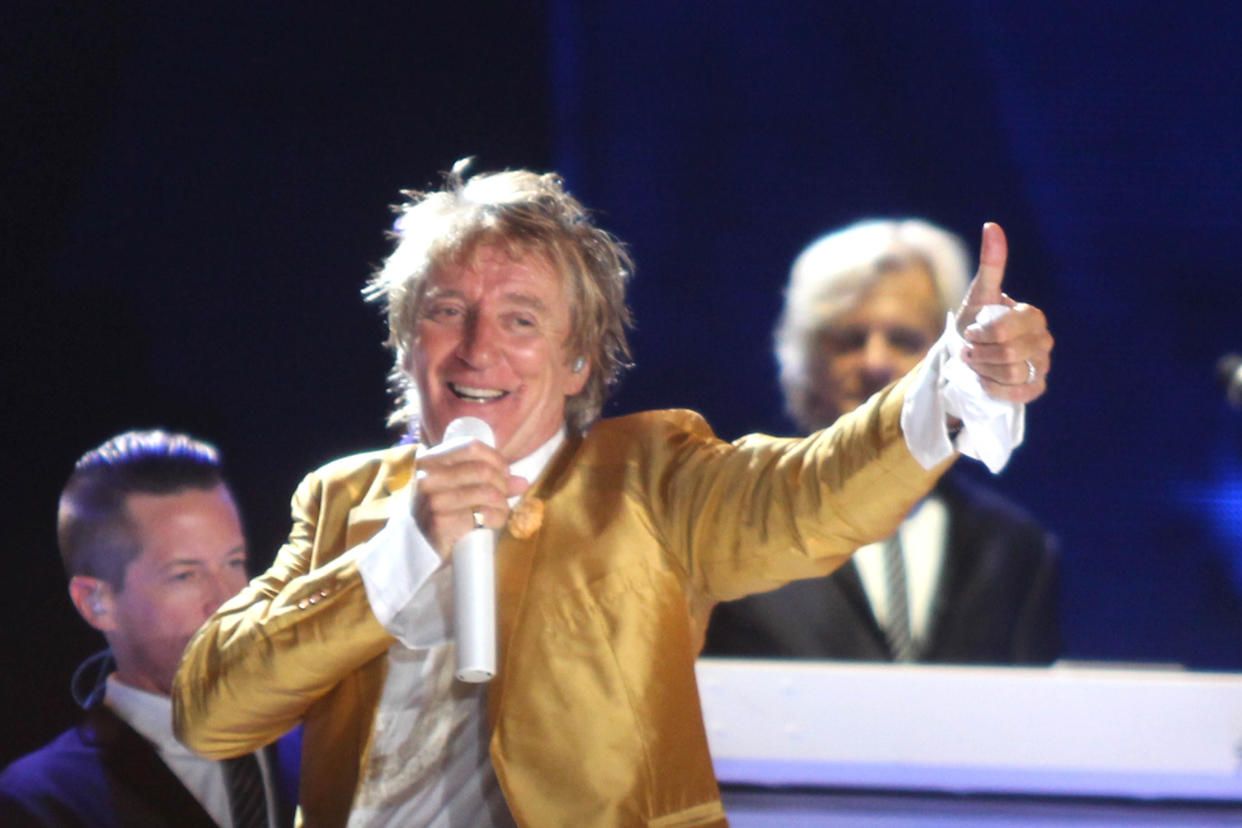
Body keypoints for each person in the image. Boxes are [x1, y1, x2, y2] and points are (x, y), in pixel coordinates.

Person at [172, 162, 1053, 827]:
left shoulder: (651, 478)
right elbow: (213, 709)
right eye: (445, 311)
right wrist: (401, 549)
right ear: (406, 342)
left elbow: (812, 492)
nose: (479, 348)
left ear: (578, 359)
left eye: (521, 319)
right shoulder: (342, 499)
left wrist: (950, 382)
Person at [704, 219, 1059, 664]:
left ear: (946, 356)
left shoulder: (1015, 549)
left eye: (904, 340)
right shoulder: (734, 523)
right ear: (804, 361)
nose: (875, 363)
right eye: (850, 340)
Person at [0, 430, 296, 827]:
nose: (230, 600)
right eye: (184, 575)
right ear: (96, 603)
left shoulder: (326, 736)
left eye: (233, 562)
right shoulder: (41, 799)